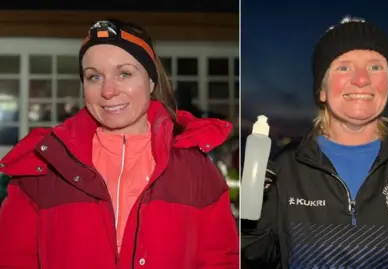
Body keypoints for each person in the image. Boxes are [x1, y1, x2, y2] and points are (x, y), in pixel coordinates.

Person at [241, 16, 388, 269]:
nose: (362, 79)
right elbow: (256, 259)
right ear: (321, 90)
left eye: (376, 67)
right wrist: (249, 225)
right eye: (344, 67)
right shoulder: (285, 169)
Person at [0, 19, 239, 269]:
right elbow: (12, 259)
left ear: (151, 81)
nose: (108, 91)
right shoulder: (43, 166)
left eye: (124, 73)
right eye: (94, 77)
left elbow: (219, 260)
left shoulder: (196, 170)